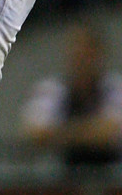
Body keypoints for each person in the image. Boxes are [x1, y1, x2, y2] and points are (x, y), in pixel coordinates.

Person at [21, 20, 122, 168]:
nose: (81, 60)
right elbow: (34, 132)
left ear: (99, 54)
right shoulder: (52, 89)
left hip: (111, 176)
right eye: (76, 52)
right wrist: (90, 132)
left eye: (87, 53)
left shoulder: (115, 87)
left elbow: (111, 131)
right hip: (62, 176)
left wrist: (60, 134)